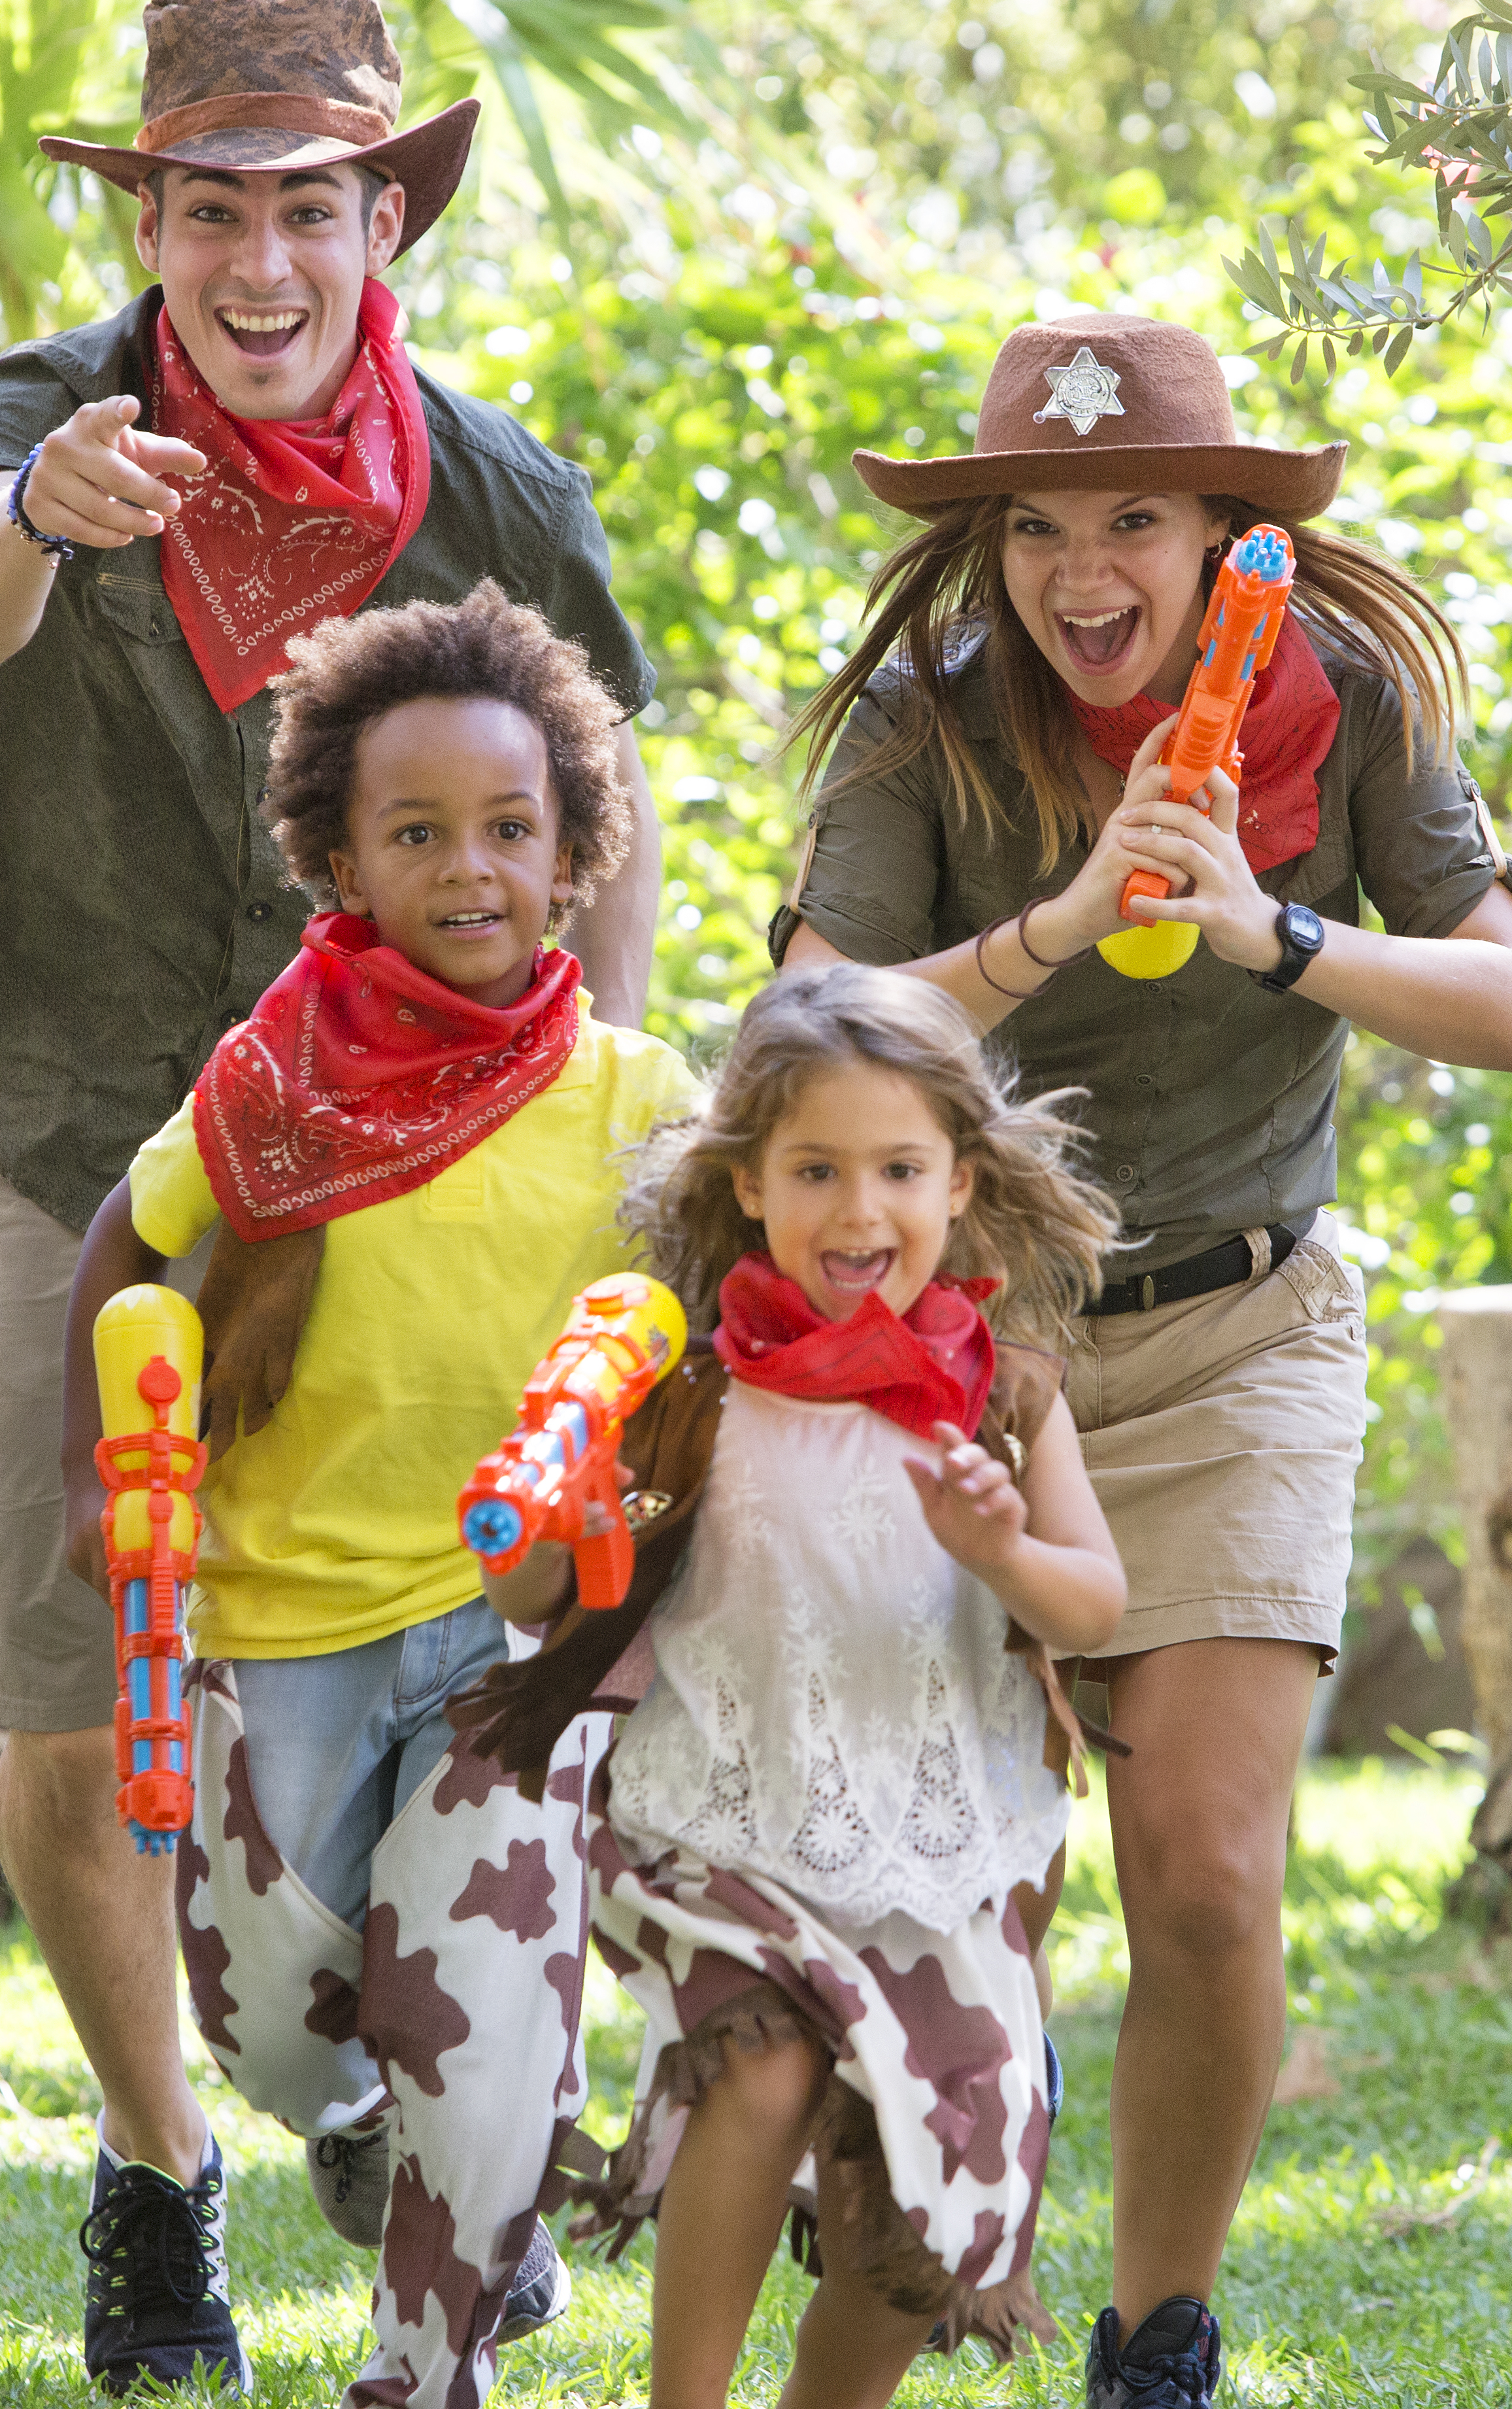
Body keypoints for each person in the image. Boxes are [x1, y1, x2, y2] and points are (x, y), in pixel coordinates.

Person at [0, 0, 665, 2391]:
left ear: (370, 217)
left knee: (450, 1640)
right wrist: (40, 505)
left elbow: (601, 788)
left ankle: (393, 2099)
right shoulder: (42, 417)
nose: (256, 260)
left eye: (304, 207)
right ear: (155, 217)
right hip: (78, 1123)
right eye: (209, 207)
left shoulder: (491, 480)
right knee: (69, 1687)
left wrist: (604, 1097)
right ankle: (159, 2163)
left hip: (430, 1142)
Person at [773, 310, 1512, 2406]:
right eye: (1038, 526)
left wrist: (1271, 931)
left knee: (1202, 1876)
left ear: (1225, 532)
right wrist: (1053, 924)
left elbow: (1503, 1006)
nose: (1081, 570)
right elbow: (804, 1039)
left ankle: (1156, 2337)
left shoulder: (1351, 698)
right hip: (949, 1348)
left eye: (1134, 518)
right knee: (921, 1883)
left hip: (1238, 1327)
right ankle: (891, 2228)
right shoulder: (926, 731)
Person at [54, 584, 699, 2408]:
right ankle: (348, 2125)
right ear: (336, 852)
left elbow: (722, 1309)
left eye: (510, 828)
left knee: (480, 2034)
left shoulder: (634, 1099)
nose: (469, 868)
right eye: (416, 832)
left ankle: (429, 2359)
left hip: (524, 1634)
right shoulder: (267, 1082)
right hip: (283, 1619)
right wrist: (114, 1467)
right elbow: (123, 1248)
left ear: (575, 850)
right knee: (267, 2024)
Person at [458, 964, 1125, 2407]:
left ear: (961, 1183)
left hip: (943, 1847)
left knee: (931, 2197)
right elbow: (532, 1598)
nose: (859, 1210)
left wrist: (1003, 1549)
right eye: (814, 1169)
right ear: (747, 1184)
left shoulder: (1003, 1389)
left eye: (899, 1169)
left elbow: (1096, 1600)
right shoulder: (684, 1385)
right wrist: (554, 1507)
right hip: (722, 1822)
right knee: (756, 2076)